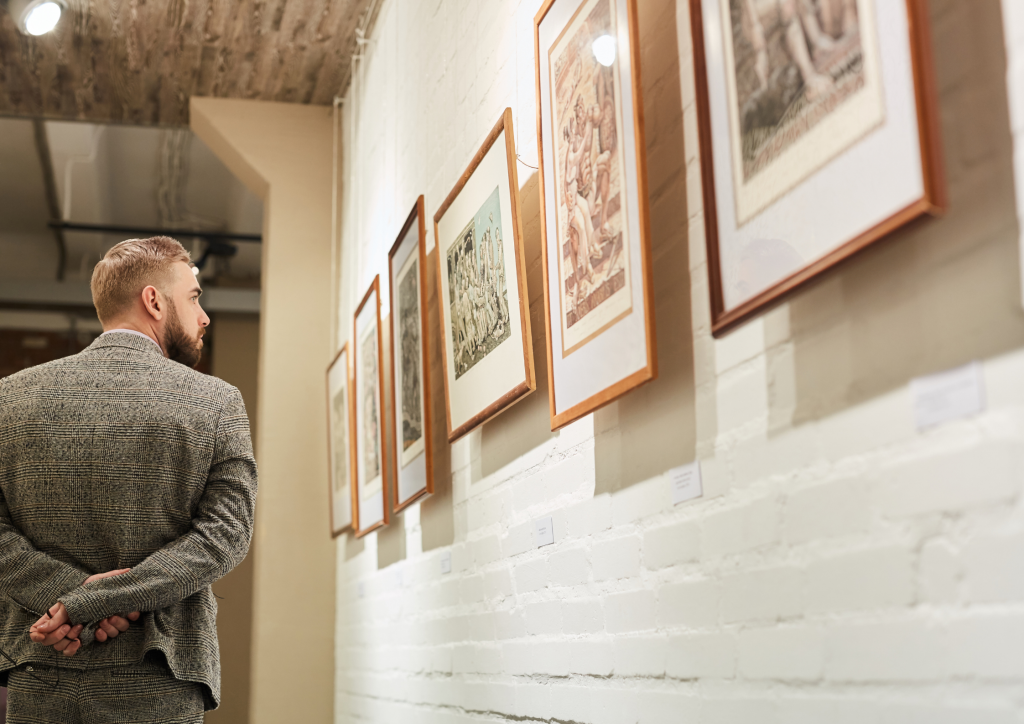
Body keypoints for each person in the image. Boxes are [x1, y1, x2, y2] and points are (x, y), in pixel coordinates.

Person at [0, 236, 258, 723]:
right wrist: (97, 600)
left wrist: (71, 600)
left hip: (43, 666)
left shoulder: (9, 398)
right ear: (154, 301)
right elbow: (225, 536)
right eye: (195, 297)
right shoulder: (217, 402)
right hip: (160, 671)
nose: (204, 317)